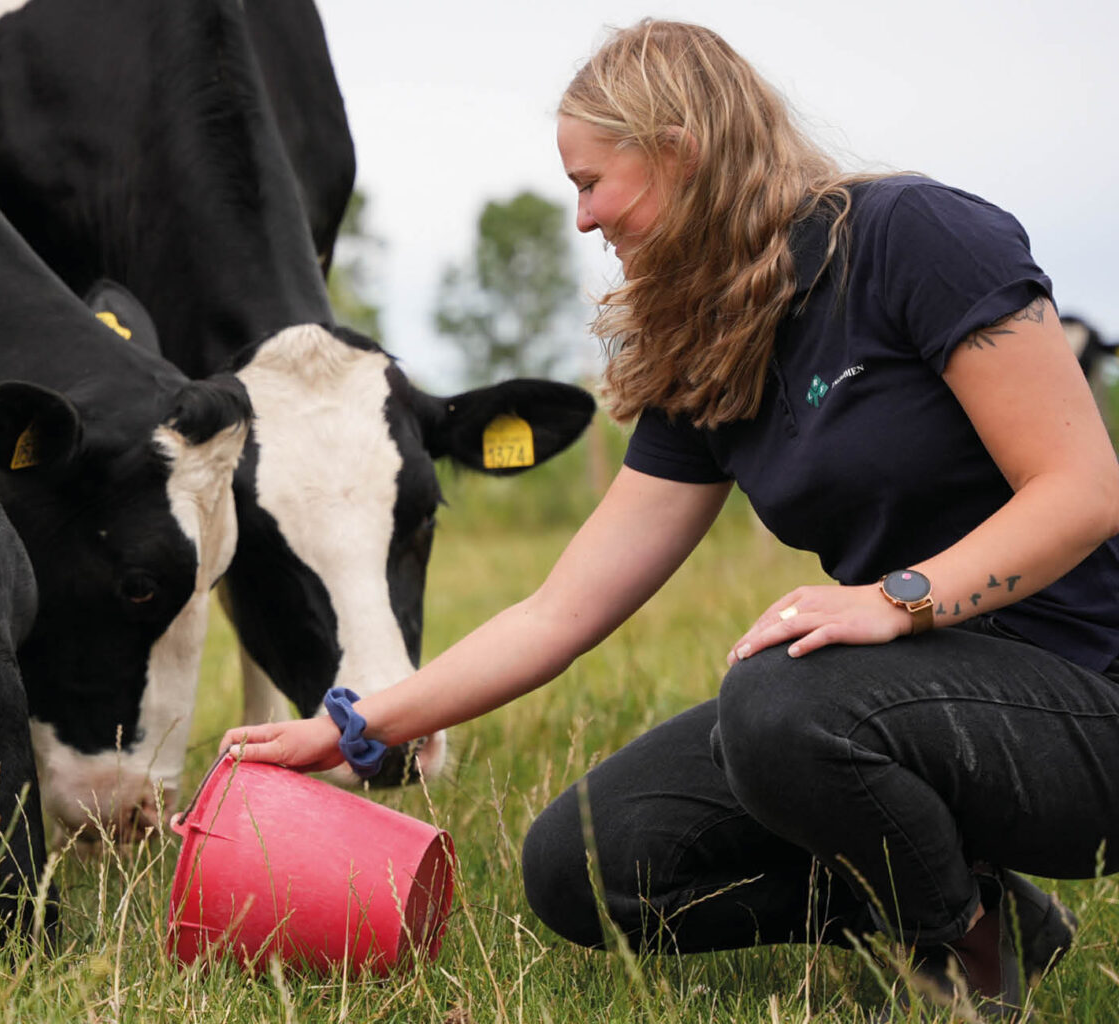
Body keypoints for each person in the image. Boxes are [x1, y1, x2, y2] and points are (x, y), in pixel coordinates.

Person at [221, 17, 1119, 1016]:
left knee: (779, 699)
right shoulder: (710, 342)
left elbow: (1082, 492)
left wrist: (898, 600)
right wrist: (355, 727)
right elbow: (559, 611)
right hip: (900, 700)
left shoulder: (916, 236)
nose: (583, 220)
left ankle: (960, 951)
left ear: (681, 154)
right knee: (586, 866)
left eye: (590, 182)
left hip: (1084, 701)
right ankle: (986, 905)